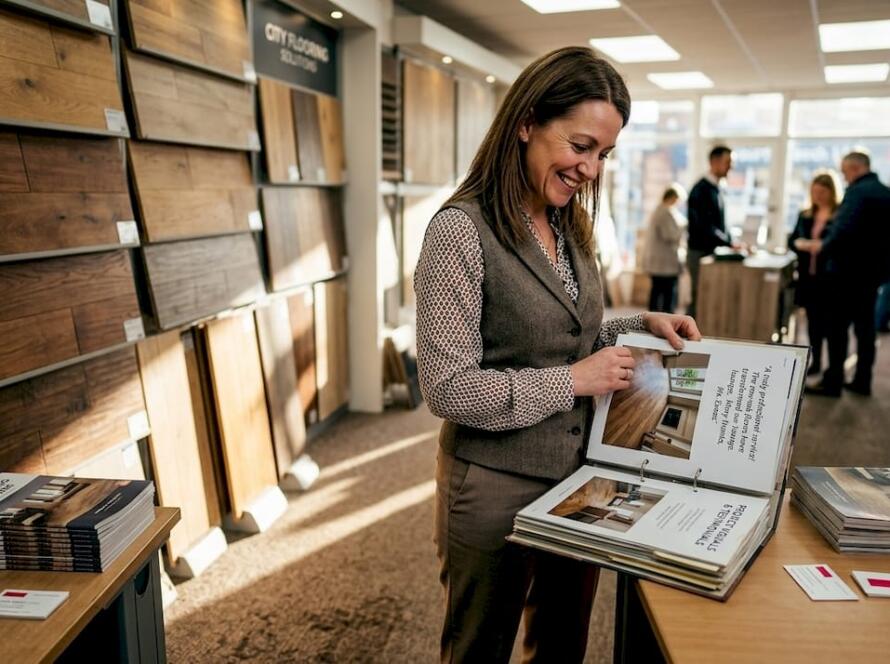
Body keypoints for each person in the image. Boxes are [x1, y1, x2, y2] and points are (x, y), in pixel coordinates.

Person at [413, 46, 701, 663]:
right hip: (493, 483)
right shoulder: (459, 230)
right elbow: (447, 388)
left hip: (580, 474)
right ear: (526, 124)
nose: (590, 169)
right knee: (480, 648)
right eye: (580, 146)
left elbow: (570, 335)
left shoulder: (568, 224)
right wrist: (572, 382)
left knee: (563, 644)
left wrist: (639, 325)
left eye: (604, 154)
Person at [801, 150, 890, 397]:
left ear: (854, 168)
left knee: (836, 329)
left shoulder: (857, 192)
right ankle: (862, 380)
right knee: (865, 329)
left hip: (846, 275)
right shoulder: (885, 193)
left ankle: (833, 382)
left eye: (844, 171)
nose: (844, 176)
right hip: (872, 275)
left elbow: (842, 231)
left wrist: (822, 246)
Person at [789, 171, 840, 376]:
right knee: (813, 323)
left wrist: (821, 246)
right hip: (808, 277)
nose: (818, 196)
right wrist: (800, 244)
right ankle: (816, 361)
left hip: (829, 278)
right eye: (815, 192)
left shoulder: (840, 215)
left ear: (831, 192)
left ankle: (833, 368)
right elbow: (792, 240)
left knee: (832, 325)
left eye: (822, 192)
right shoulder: (805, 214)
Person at [686, 145, 734, 318]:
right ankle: (686, 333)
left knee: (709, 299)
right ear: (714, 162)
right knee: (699, 297)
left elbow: (721, 224)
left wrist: (732, 241)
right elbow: (704, 226)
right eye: (728, 162)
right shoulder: (700, 190)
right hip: (699, 252)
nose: (731, 167)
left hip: (711, 252)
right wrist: (728, 242)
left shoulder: (718, 188)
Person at [642, 184, 687, 313]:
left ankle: (655, 317)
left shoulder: (664, 210)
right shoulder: (663, 212)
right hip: (663, 263)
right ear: (673, 197)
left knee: (658, 291)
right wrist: (683, 228)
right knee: (665, 294)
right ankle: (660, 318)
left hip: (663, 262)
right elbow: (670, 234)